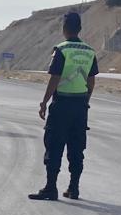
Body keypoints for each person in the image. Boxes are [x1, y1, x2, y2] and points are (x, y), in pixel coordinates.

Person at [30, 11, 98, 201]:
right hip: (80, 106)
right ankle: (73, 188)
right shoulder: (89, 51)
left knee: (54, 145)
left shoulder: (61, 50)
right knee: (77, 148)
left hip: (62, 105)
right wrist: (86, 100)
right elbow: (91, 82)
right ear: (80, 29)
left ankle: (51, 188)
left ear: (64, 29)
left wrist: (44, 102)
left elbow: (55, 78)